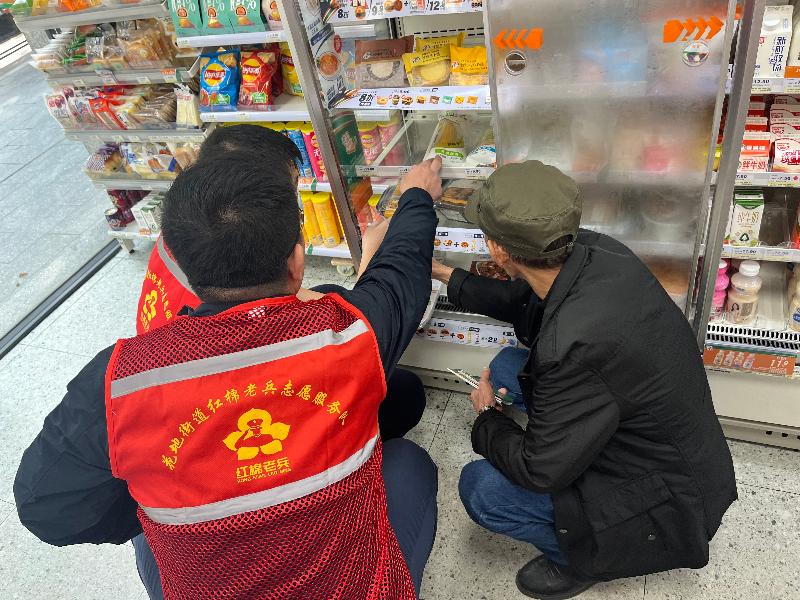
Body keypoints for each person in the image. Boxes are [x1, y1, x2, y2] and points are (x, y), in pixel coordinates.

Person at [14, 151, 444, 600]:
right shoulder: (349, 333)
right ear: (297, 262)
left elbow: (46, 507)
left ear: (182, 263)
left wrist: (165, 505)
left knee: (148, 535)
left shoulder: (120, 380)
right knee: (409, 462)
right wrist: (415, 197)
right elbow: (402, 278)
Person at [432, 160, 737, 599]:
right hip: (661, 436)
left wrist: (485, 419)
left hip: (662, 497)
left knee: (481, 488)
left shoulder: (571, 349)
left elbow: (538, 471)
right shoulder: (594, 251)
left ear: (499, 251)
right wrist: (445, 274)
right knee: (505, 368)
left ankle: (580, 558)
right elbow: (523, 300)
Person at [137, 124, 426, 445]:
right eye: (285, 193)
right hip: (234, 403)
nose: (287, 207)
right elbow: (366, 321)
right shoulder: (253, 294)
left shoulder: (187, 236)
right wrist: (374, 256)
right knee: (403, 393)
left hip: (194, 384)